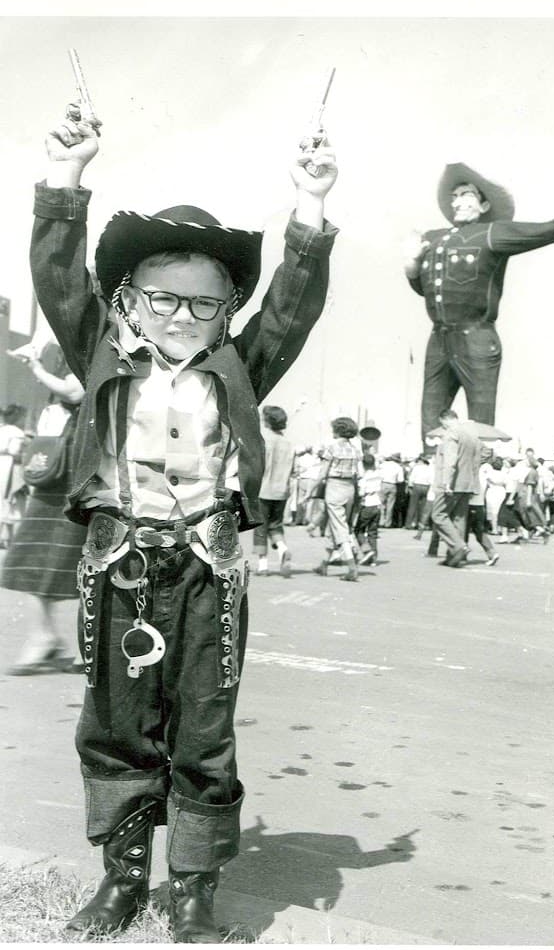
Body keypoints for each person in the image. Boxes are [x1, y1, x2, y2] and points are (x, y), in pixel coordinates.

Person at [30, 102, 338, 942]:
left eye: (204, 305)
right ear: (127, 298)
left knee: (204, 728)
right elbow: (57, 274)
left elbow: (295, 305)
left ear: (228, 310)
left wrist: (309, 206)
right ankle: (123, 881)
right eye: (161, 298)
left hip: (210, 566)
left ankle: (194, 893)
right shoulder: (102, 349)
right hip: (119, 564)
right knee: (116, 725)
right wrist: (66, 176)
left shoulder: (242, 365)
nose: (179, 317)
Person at [403, 162, 554, 440]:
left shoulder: (492, 233)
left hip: (476, 335)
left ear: (484, 206)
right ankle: (431, 473)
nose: (457, 202)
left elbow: (535, 233)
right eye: (454, 196)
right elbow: (424, 289)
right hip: (439, 339)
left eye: (466, 194)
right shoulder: (434, 238)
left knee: (481, 422)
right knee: (431, 417)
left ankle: (477, 474)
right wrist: (412, 263)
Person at [1, 342, 87, 674]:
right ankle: (45, 637)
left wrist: (36, 367)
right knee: (34, 554)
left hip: (73, 466)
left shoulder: (94, 338)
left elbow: (75, 391)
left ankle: (70, 642)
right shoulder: (69, 341)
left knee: (72, 559)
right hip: (57, 467)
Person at [430, 409, 481, 567]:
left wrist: (446, 482)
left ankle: (458, 547)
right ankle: (455, 556)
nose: (443, 427)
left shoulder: (451, 434)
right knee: (459, 519)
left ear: (445, 420)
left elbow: (450, 460)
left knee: (438, 515)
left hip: (451, 483)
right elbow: (476, 461)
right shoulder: (472, 436)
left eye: (442, 424)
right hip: (466, 484)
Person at [313, 418, 362, 582]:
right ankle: (324, 564)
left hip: (334, 487)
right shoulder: (355, 450)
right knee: (336, 525)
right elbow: (359, 474)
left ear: (338, 430)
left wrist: (310, 493)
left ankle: (351, 567)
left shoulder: (332, 448)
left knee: (339, 527)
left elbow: (322, 474)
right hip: (350, 489)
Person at [253, 406, 296, 577]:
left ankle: (263, 565)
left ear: (267, 421)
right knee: (275, 525)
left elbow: (257, 466)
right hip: (282, 490)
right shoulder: (289, 444)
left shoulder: (264, 440)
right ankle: (283, 549)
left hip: (264, 489)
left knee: (260, 527)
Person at [0, 404, 27, 549]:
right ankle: (9, 538)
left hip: (1, 463)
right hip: (11, 467)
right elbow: (15, 450)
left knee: (2, 500)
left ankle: (4, 537)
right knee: (11, 499)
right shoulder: (17, 432)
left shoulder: (2, 429)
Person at [354, 452, 382, 565]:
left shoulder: (363, 478)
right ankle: (373, 558)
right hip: (377, 504)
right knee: (373, 532)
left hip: (367, 504)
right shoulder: (378, 475)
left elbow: (361, 493)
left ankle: (367, 550)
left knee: (358, 530)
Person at [404, 455, 432, 530]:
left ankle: (410, 523)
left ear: (420, 461)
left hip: (417, 486)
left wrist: (410, 486)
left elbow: (411, 479)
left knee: (413, 505)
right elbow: (431, 480)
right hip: (426, 486)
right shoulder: (430, 468)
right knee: (424, 506)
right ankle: (423, 524)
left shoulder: (416, 468)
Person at [379, 452, 404, 528]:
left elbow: (379, 475)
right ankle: (388, 523)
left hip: (383, 484)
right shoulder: (398, 467)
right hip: (393, 485)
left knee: (381, 504)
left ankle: (381, 521)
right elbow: (401, 480)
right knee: (390, 505)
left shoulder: (383, 465)